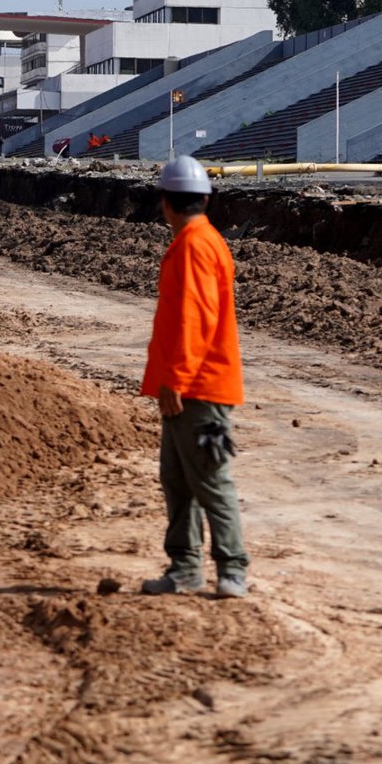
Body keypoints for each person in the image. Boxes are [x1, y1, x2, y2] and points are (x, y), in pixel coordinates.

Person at [139, 155, 249, 599]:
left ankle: (232, 569)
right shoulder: (203, 240)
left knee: (209, 479)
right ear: (204, 199)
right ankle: (185, 568)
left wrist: (176, 379)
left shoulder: (193, 247)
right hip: (193, 384)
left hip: (197, 388)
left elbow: (194, 319)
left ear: (166, 203)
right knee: (178, 479)